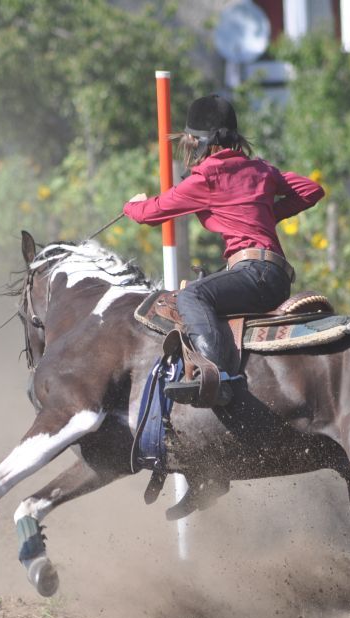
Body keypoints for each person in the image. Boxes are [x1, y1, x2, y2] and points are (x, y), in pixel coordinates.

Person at [123, 94, 324, 407]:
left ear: (204, 144)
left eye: (190, 144)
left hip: (252, 273)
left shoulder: (207, 178)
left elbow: (150, 213)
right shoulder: (260, 169)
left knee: (191, 296)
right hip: (275, 276)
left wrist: (131, 205)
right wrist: (269, 215)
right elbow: (312, 189)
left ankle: (217, 376)